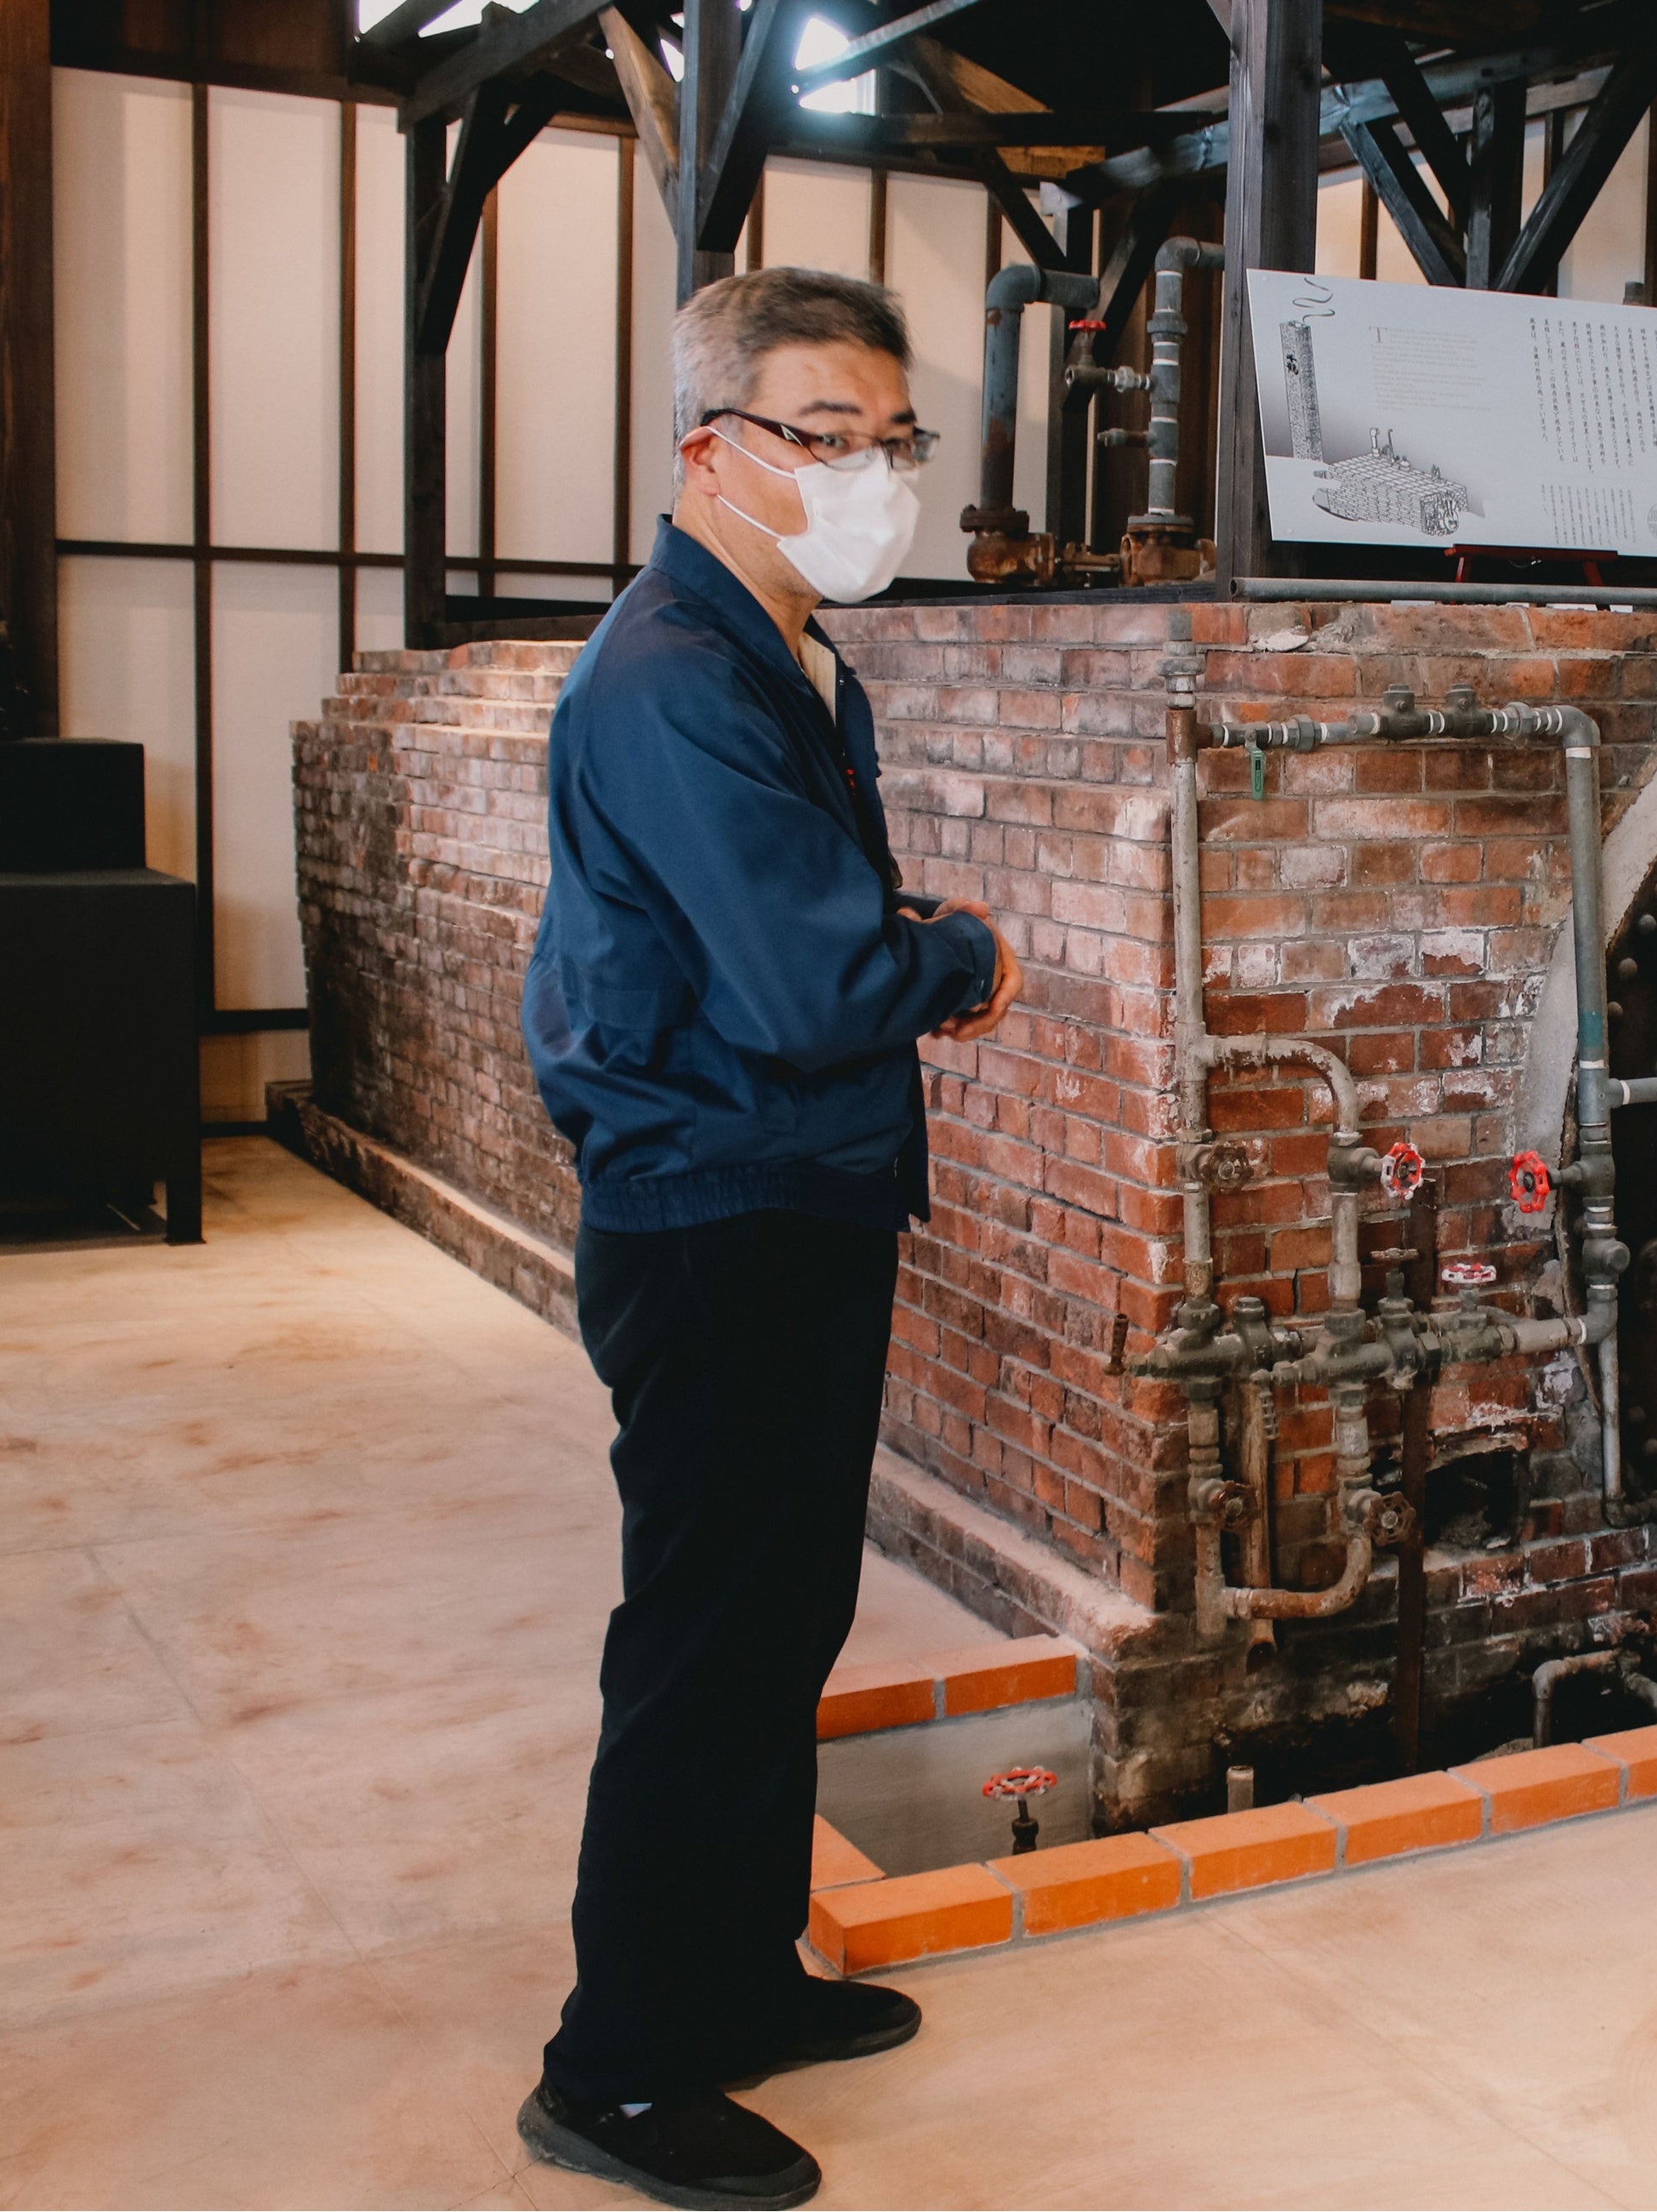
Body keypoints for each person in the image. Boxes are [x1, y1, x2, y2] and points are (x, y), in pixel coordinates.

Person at [512, 265, 1022, 2212]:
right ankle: (618, 2065)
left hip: (794, 1192)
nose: (872, 473)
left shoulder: (789, 652)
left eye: (894, 439)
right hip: (714, 1206)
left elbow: (811, 947)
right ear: (709, 448)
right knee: (707, 1639)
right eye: (829, 435)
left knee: (780, 1620)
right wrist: (958, 958)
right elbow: (818, 982)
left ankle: (729, 1976)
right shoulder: (672, 675)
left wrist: (893, 960)